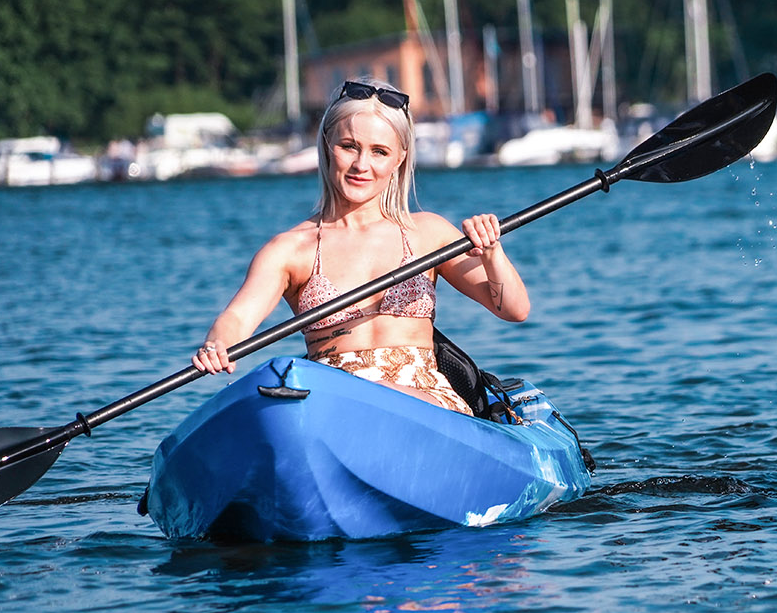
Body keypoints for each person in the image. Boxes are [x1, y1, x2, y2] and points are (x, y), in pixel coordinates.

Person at [191, 78, 529, 414]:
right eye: (349, 146)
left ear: (400, 158)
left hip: (426, 400)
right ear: (326, 144)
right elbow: (236, 318)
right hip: (334, 402)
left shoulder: (428, 232)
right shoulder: (289, 250)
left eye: (379, 152)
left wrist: (492, 253)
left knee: (377, 397)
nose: (361, 165)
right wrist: (217, 344)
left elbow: (514, 311)